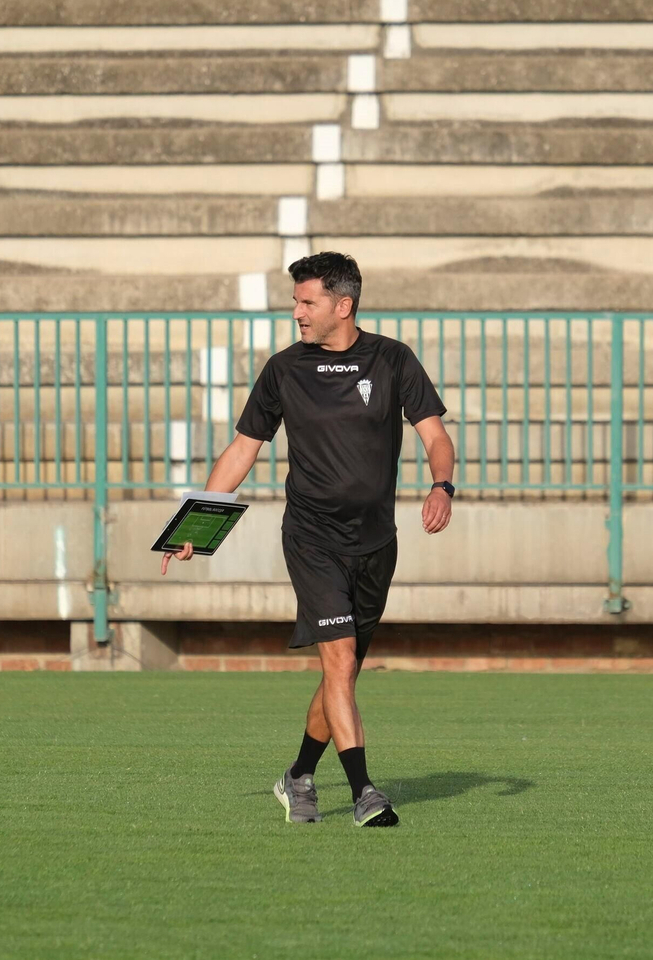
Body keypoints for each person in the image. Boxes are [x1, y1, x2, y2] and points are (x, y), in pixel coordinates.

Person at [161, 252, 456, 827]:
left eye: (306, 302)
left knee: (339, 672)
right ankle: (367, 793)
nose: (296, 311)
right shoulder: (284, 369)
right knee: (340, 661)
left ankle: (298, 776)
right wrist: (197, 523)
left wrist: (441, 485)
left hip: (376, 544)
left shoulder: (394, 359)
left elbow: (435, 435)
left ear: (342, 306)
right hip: (311, 539)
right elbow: (243, 447)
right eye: (296, 301)